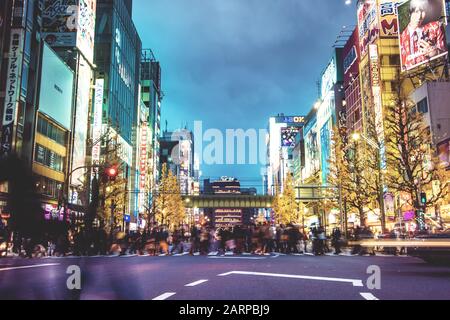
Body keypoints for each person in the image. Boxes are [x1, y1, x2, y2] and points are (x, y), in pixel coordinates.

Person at [400, 0, 446, 71]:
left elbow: (446, 55)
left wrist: (436, 53)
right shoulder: (401, 38)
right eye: (416, 12)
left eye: (423, 11)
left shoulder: (436, 27)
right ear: (410, 13)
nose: (419, 16)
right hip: (412, 78)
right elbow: (403, 66)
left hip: (435, 75)